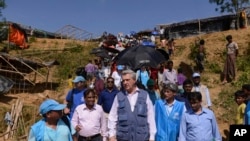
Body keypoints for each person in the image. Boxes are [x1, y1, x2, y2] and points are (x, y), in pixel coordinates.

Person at [108, 69, 156, 141]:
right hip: (123, 137)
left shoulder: (144, 95)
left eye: (127, 80)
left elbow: (150, 117)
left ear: (134, 80)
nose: (125, 82)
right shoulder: (119, 96)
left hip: (141, 137)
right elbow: (112, 117)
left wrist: (152, 136)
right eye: (123, 80)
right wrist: (111, 135)